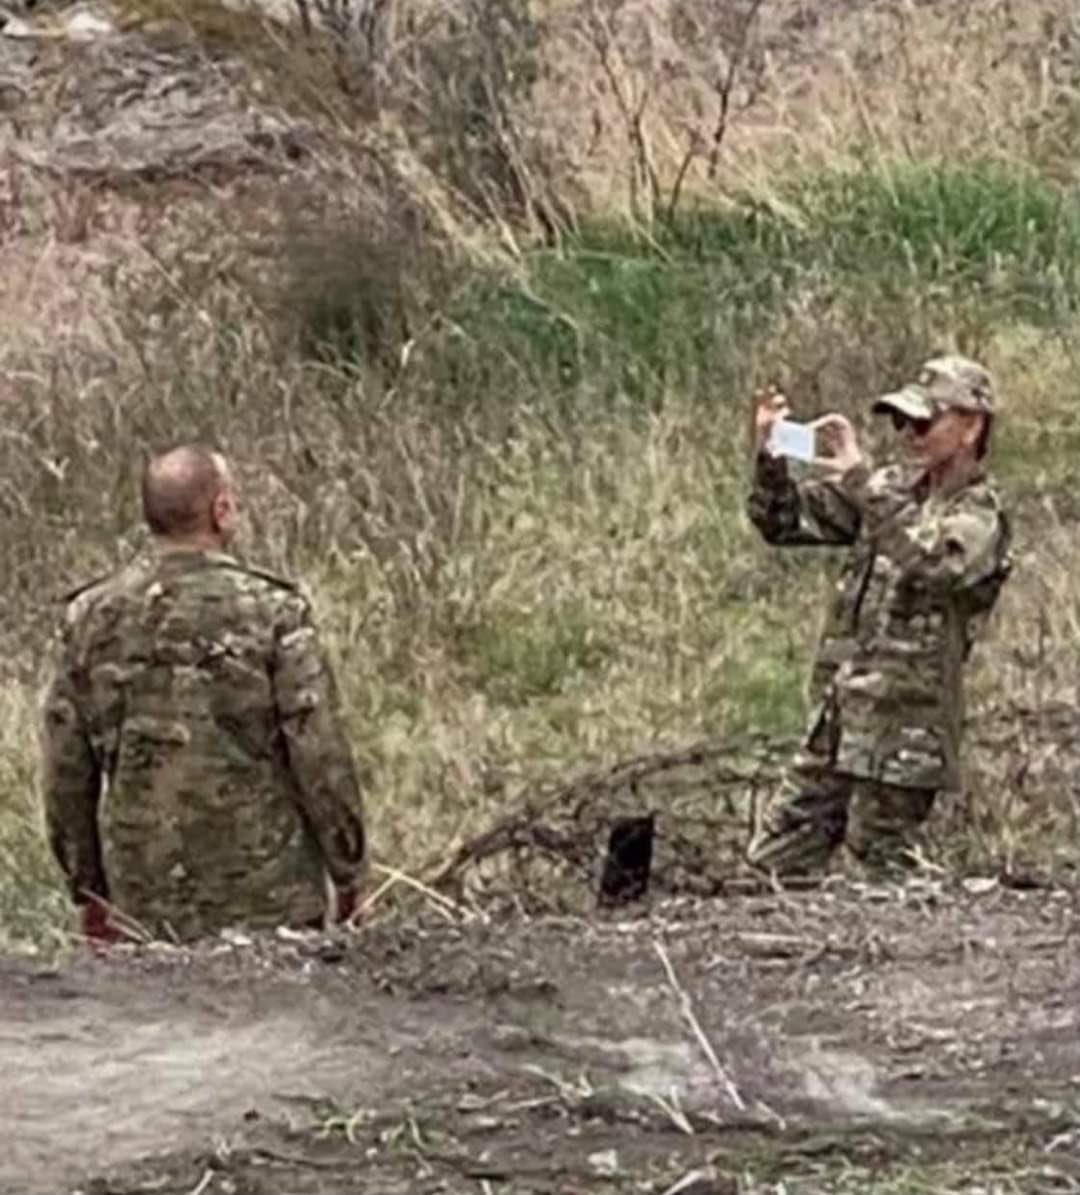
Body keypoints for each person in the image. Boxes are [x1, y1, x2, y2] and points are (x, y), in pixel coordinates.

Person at [38, 445, 368, 943]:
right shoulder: (273, 611)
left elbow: (66, 768)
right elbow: (319, 753)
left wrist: (87, 888)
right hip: (267, 899)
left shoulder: (88, 617)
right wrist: (350, 872)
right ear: (221, 510)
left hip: (142, 901)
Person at [745, 355, 1012, 876]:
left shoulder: (980, 514)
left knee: (882, 882)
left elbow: (936, 564)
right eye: (899, 422)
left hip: (905, 735)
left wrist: (864, 483)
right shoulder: (891, 489)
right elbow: (783, 522)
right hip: (840, 718)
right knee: (773, 864)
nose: (907, 434)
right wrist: (771, 457)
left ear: (971, 426)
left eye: (922, 422)